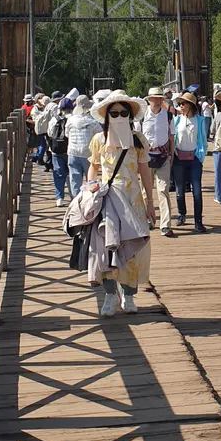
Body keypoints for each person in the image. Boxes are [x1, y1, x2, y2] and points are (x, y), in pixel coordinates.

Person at [88, 91, 156, 316]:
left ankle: (128, 296)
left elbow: (145, 171)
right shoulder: (99, 139)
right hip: (109, 200)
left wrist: (150, 202)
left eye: (123, 113)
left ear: (130, 116)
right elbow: (94, 166)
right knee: (107, 246)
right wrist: (91, 188)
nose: (119, 117)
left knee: (133, 248)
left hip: (133, 201)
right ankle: (110, 295)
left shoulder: (138, 140)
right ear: (107, 116)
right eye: (114, 113)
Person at [171, 91, 209, 232]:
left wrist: (201, 157)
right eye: (179, 103)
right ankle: (182, 214)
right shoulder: (176, 120)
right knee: (179, 192)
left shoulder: (199, 120)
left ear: (191, 105)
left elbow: (203, 141)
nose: (180, 106)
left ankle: (198, 221)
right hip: (179, 159)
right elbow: (172, 138)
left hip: (194, 159)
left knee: (197, 192)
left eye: (183, 103)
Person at [142, 87, 176, 238]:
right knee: (146, 192)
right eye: (154, 98)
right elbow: (137, 138)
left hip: (163, 156)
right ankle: (148, 219)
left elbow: (171, 138)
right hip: (146, 158)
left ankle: (166, 224)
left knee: (163, 190)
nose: (157, 101)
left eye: (159, 98)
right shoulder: (142, 116)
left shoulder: (168, 116)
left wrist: (171, 157)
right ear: (149, 99)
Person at [66, 95, 101, 198]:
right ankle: (90, 201)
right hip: (88, 153)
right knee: (91, 179)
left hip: (73, 152)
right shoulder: (93, 122)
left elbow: (66, 134)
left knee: (74, 179)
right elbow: (99, 135)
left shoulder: (70, 120)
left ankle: (76, 201)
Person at [48, 97, 73, 207]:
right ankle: (73, 196)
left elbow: (49, 134)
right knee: (72, 173)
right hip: (70, 150)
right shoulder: (73, 118)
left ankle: (59, 198)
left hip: (56, 150)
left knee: (58, 174)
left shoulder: (54, 119)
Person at [31, 94, 52, 169]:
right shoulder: (35, 109)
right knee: (43, 145)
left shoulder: (42, 108)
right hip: (40, 129)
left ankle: (37, 156)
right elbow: (35, 118)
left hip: (44, 129)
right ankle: (39, 158)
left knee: (43, 145)